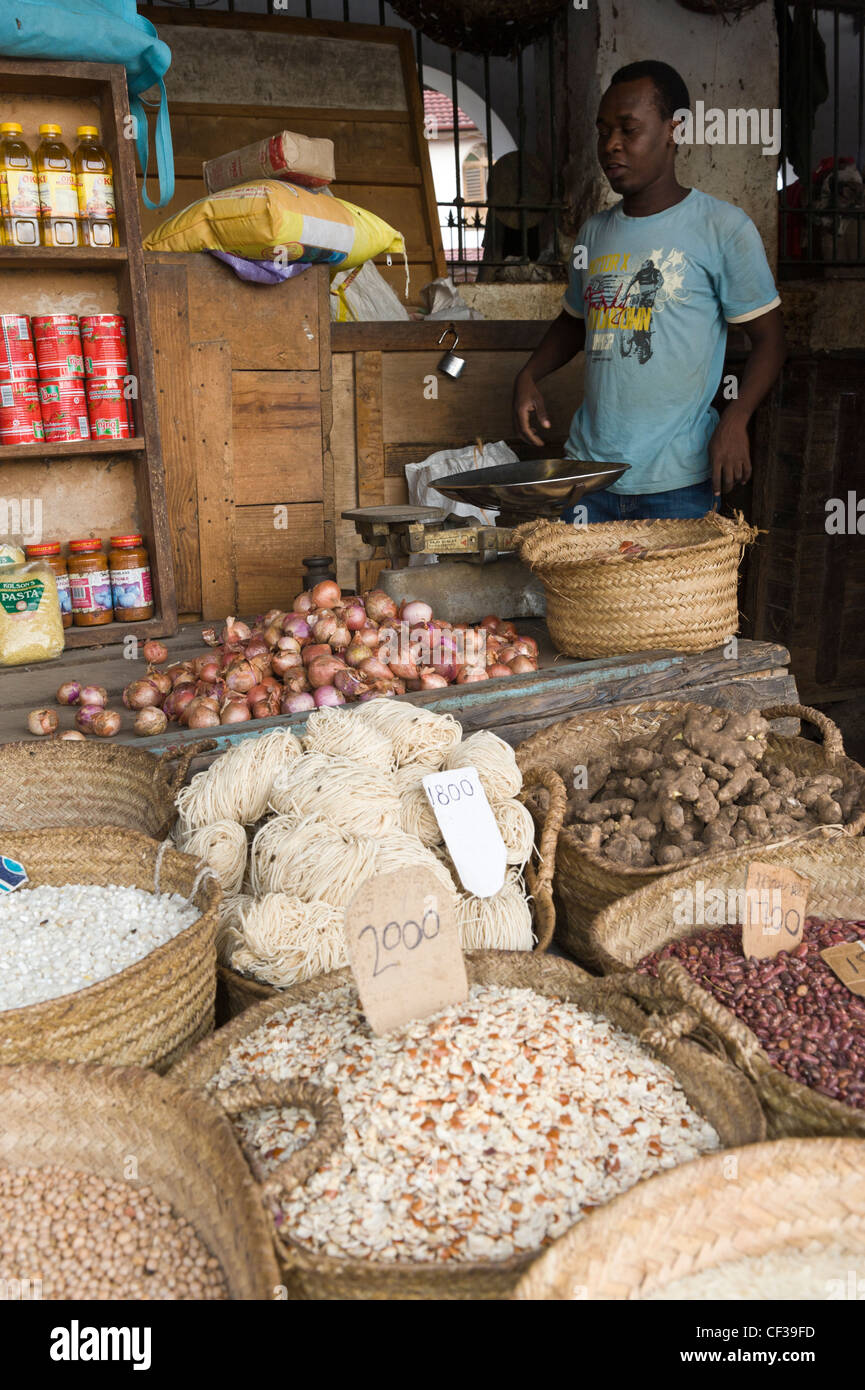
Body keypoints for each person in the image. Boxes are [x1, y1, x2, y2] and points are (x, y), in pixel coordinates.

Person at [512, 60, 786, 521]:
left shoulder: (722, 228)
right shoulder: (594, 234)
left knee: (672, 597)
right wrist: (528, 375)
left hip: (676, 480)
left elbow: (771, 341)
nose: (611, 145)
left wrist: (736, 420)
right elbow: (575, 320)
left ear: (673, 130)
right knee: (583, 596)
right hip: (588, 475)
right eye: (603, 131)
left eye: (628, 129)